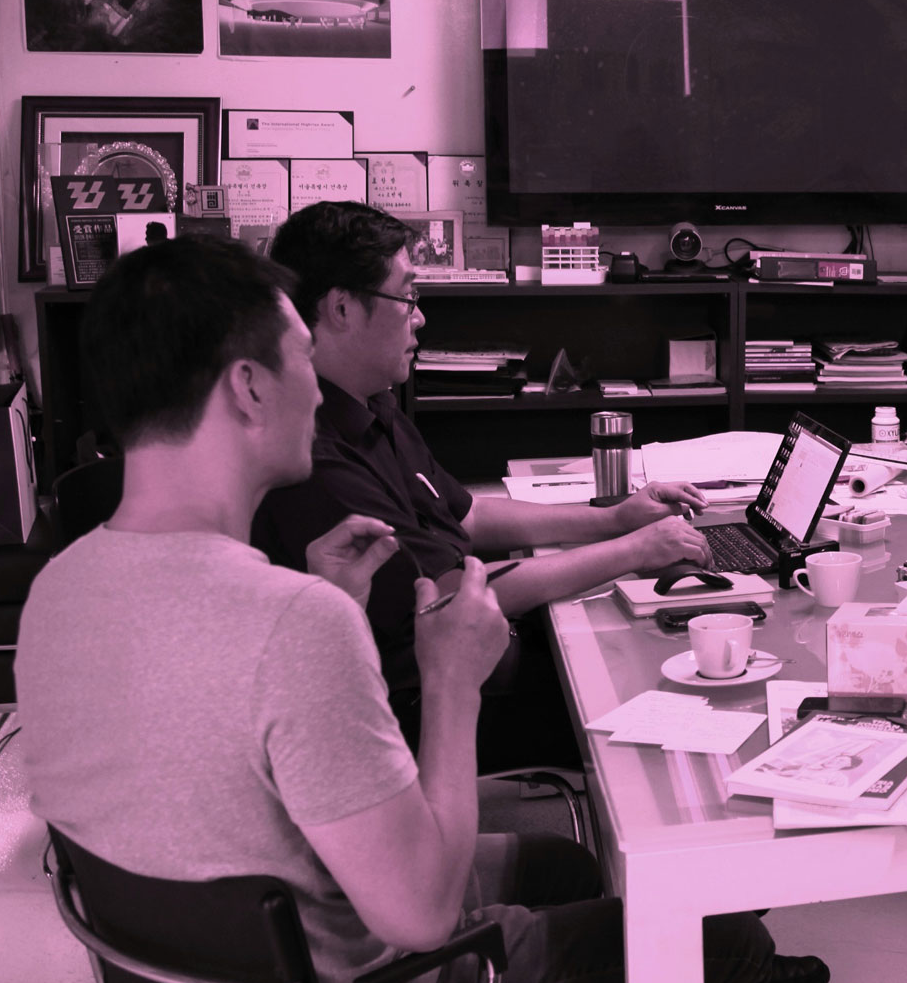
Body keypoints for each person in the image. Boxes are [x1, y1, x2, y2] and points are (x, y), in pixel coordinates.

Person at [19, 239, 823, 983]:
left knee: (567, 867)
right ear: (249, 387)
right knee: (730, 947)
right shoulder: (292, 624)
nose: (314, 390)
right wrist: (450, 679)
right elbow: (424, 913)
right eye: (300, 358)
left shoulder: (57, 593)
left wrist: (333, 607)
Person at [251, 202, 709, 766]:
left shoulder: (372, 405)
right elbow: (448, 594)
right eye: (408, 297)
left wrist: (616, 520)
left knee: (656, 637)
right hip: (433, 701)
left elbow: (468, 515)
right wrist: (632, 551)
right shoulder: (317, 457)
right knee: (657, 684)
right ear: (342, 308)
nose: (420, 317)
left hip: (487, 650)